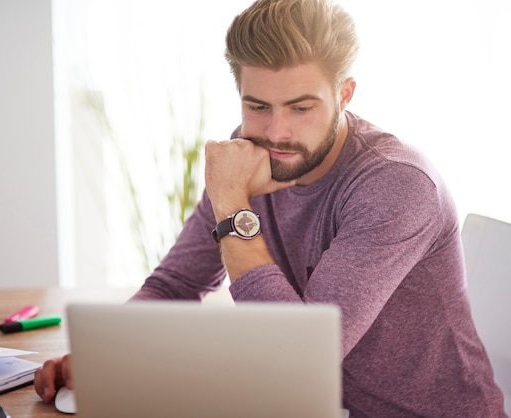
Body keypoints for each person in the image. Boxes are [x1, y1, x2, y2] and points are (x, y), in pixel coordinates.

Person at [35, 0, 506, 416]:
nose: (276, 133)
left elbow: (299, 357)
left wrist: (231, 204)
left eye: (302, 108)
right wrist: (108, 358)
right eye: (257, 106)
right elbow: (176, 284)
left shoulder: (396, 185)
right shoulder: (246, 157)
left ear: (344, 94)